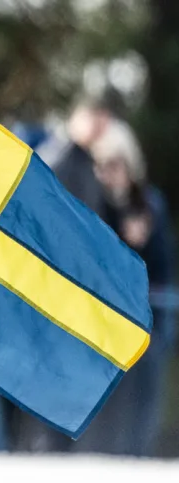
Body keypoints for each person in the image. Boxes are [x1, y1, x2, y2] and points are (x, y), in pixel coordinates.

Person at [75, 119, 174, 456]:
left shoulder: (149, 205)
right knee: (104, 407)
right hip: (104, 324)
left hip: (146, 320)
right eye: (101, 165)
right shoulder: (94, 203)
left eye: (114, 165)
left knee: (142, 403)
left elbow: (163, 267)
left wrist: (142, 244)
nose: (107, 174)